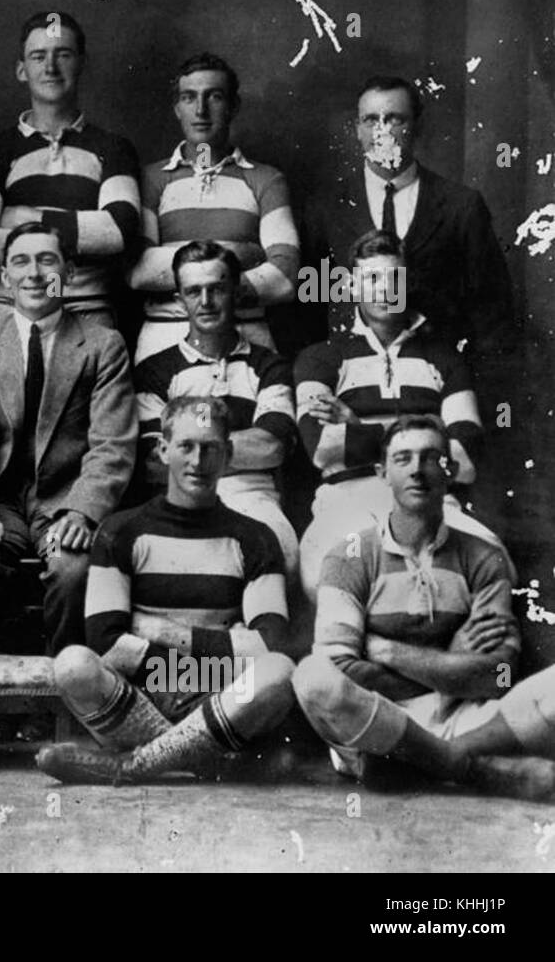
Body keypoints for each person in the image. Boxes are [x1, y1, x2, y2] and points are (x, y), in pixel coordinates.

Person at [36, 396, 298, 785]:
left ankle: (132, 766)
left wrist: (158, 631)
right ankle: (204, 758)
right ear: (163, 450)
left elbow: (270, 645)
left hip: (219, 692)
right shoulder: (120, 531)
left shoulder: (256, 537)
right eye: (186, 447)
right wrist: (225, 644)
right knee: (73, 664)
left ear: (227, 454)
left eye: (210, 449)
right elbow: (106, 641)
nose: (198, 461)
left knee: (279, 672)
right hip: (147, 694)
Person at [293, 415, 555, 802]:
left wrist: (386, 651)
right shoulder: (349, 556)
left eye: (432, 458)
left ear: (449, 470)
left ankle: (436, 761)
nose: (417, 470)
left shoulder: (484, 557)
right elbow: (340, 670)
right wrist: (451, 661)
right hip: (377, 722)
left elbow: (499, 675)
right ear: (383, 473)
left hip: (467, 721)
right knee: (313, 677)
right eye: (403, 459)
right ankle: (470, 766)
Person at [0, 223, 136, 654]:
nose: (34, 274)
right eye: (21, 262)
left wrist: (84, 512)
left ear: (69, 273)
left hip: (65, 499)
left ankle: (61, 688)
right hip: (0, 498)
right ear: (5, 277)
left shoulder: (103, 345)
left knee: (74, 570)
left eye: (47, 261)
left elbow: (112, 442)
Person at [294, 229, 508, 600]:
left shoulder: (444, 357)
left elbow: (466, 459)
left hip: (433, 500)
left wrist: (356, 427)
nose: (383, 290)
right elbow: (322, 450)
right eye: (372, 279)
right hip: (348, 500)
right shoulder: (320, 359)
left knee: (493, 567)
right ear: (351, 286)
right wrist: (430, 435)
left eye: (394, 278)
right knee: (334, 580)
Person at [300, 74, 515, 357]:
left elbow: (491, 310)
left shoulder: (460, 206)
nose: (382, 132)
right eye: (371, 121)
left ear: (417, 127)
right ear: (357, 129)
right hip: (350, 373)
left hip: (437, 376)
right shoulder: (326, 206)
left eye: (395, 119)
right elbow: (306, 306)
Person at [0, 11, 141, 331]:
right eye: (38, 56)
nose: (51, 67)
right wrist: (84, 230)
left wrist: (20, 219)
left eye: (63, 55)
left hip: (86, 310)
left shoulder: (113, 147)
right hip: (5, 312)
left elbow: (118, 232)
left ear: (81, 63)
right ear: (21, 69)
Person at [135, 241, 298, 577]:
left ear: (236, 293)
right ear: (180, 301)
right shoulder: (154, 371)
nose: (206, 302)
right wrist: (234, 448)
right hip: (178, 500)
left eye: (217, 289)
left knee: (281, 553)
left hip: (253, 496)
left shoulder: (269, 366)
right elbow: (152, 463)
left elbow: (273, 447)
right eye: (194, 291)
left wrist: (188, 450)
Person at [129, 53, 299, 362]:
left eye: (215, 97)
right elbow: (140, 271)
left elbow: (285, 276)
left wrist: (195, 280)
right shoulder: (151, 179)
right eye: (189, 97)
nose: (201, 110)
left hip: (248, 338)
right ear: (176, 108)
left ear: (234, 106)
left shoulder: (266, 179)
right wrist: (239, 255)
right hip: (166, 337)